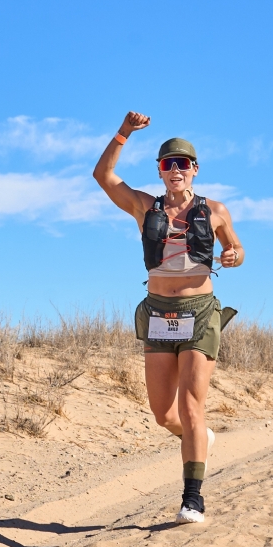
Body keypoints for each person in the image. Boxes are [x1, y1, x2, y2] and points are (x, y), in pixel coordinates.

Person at [92, 111, 244, 524]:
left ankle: (192, 498)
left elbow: (237, 249)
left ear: (194, 170)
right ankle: (201, 440)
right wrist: (124, 132)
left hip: (199, 312)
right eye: (167, 163)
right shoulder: (144, 206)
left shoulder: (215, 210)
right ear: (160, 171)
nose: (175, 169)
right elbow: (103, 176)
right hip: (159, 314)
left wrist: (233, 256)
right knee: (164, 414)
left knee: (192, 406)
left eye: (183, 163)